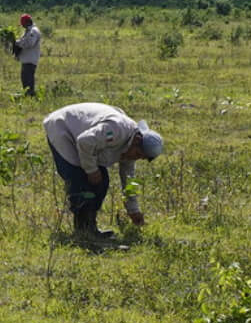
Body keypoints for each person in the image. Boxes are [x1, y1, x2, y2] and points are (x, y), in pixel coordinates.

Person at [43, 102, 163, 241]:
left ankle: (90, 227)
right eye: (137, 154)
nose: (135, 158)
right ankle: (83, 231)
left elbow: (129, 179)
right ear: (137, 140)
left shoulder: (132, 148)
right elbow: (84, 141)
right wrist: (91, 170)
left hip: (84, 140)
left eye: (140, 158)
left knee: (102, 181)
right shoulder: (117, 129)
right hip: (62, 128)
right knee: (79, 179)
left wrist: (133, 210)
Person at [11, 13, 41, 96]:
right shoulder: (27, 31)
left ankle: (30, 95)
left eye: (23, 24)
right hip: (26, 59)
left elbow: (29, 43)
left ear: (28, 22)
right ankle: (27, 94)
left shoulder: (33, 31)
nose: (23, 26)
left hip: (30, 60)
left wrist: (17, 43)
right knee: (24, 79)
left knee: (28, 79)